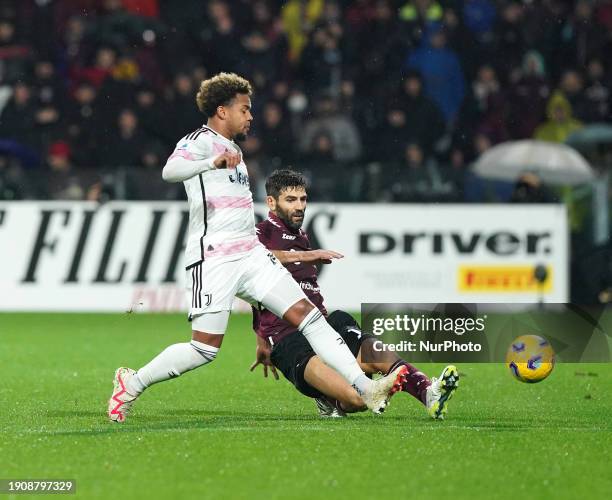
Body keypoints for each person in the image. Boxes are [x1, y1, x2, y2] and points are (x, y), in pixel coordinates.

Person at [107, 73, 404, 422]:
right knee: (203, 349)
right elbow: (170, 171)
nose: (251, 117)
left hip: (251, 254)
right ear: (222, 111)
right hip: (216, 258)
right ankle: (132, 383)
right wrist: (209, 163)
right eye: (245, 109)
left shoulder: (235, 149)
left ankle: (364, 387)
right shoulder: (200, 141)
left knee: (309, 317)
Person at [250, 169, 459, 419]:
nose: (300, 207)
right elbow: (252, 269)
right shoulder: (259, 234)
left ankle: (428, 393)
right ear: (271, 203)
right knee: (357, 400)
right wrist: (263, 339)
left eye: (303, 199)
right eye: (291, 200)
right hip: (287, 338)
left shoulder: (301, 236)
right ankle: (329, 399)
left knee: (373, 350)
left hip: (322, 325)